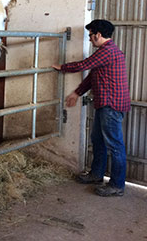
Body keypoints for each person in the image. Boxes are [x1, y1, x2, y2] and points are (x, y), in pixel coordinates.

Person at [53, 19, 131, 197]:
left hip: (111, 105)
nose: (89, 39)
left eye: (90, 35)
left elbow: (83, 65)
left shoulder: (107, 51)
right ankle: (96, 174)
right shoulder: (106, 53)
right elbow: (91, 77)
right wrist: (77, 93)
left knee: (115, 145)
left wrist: (62, 67)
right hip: (106, 105)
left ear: (98, 34)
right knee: (98, 140)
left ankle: (117, 185)